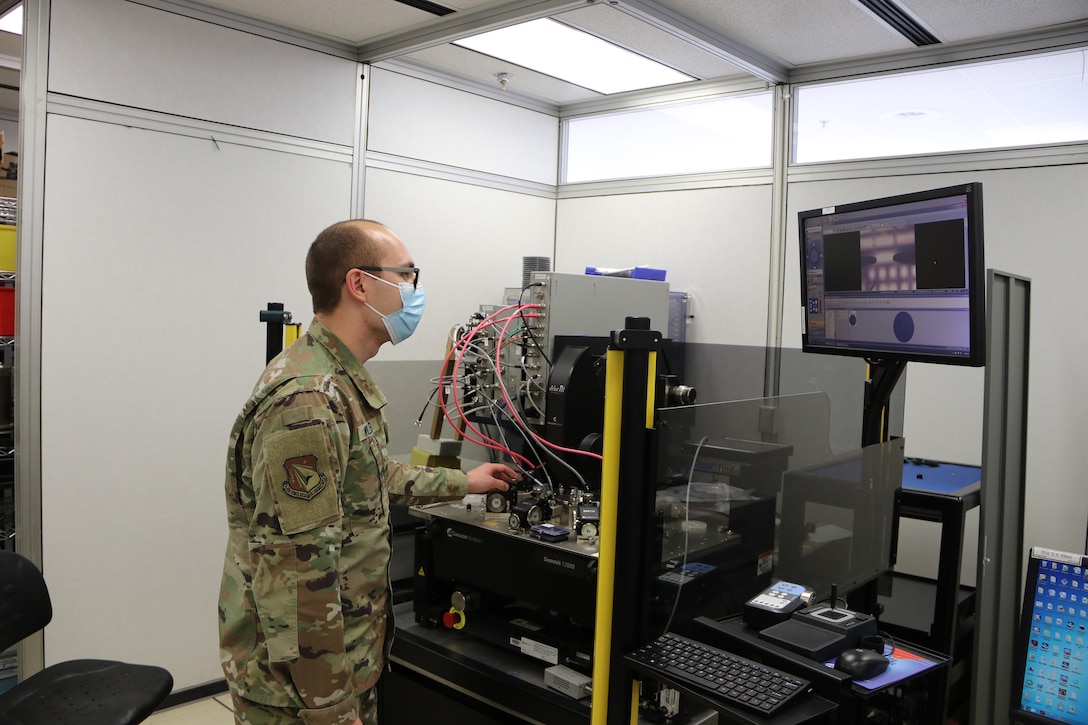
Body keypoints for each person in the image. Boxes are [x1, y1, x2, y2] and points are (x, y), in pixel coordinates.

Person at [219, 220, 519, 725]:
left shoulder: (336, 379)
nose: (413, 292)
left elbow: (372, 477)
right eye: (406, 275)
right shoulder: (309, 398)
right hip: (301, 693)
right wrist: (330, 707)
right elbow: (299, 571)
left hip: (337, 668)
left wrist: (466, 482)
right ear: (359, 284)